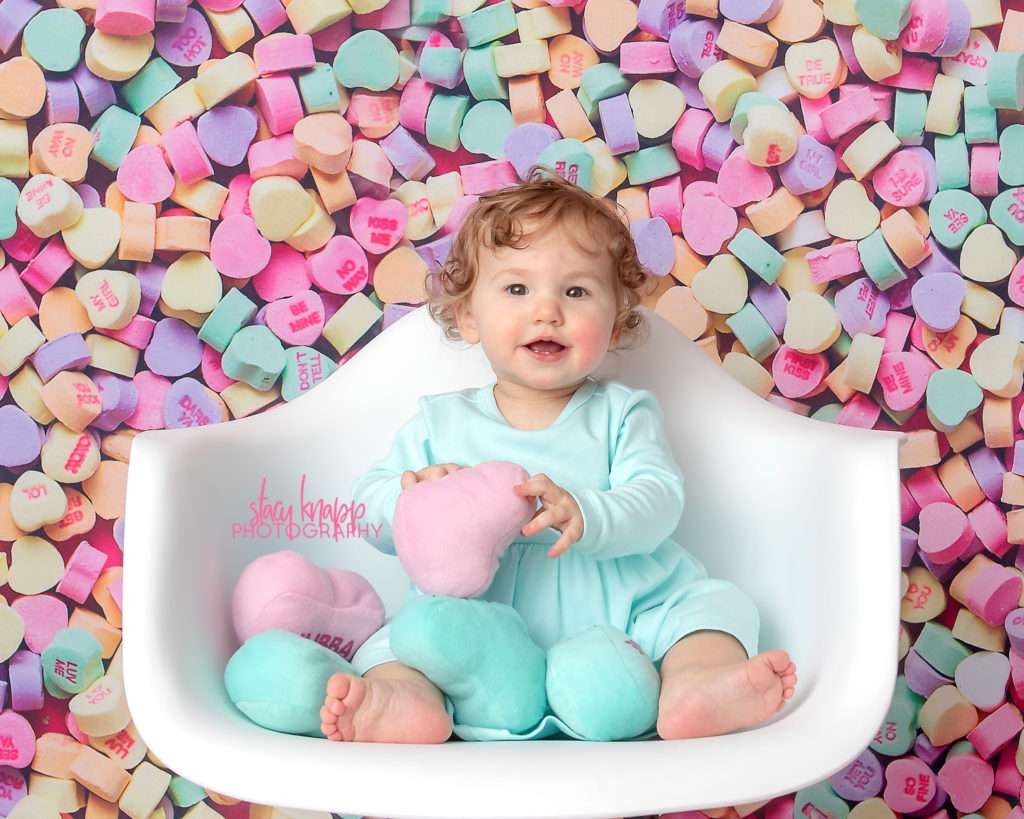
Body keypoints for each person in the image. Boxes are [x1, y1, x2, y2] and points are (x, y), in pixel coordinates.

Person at [321, 166, 797, 744]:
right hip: (480, 625)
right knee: (402, 641)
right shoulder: (438, 421)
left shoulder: (622, 412)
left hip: (623, 612)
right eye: (517, 289)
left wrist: (588, 513)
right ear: (469, 315)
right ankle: (403, 702)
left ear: (617, 321)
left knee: (714, 608)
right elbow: (367, 507)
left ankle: (694, 685)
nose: (548, 310)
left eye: (576, 291)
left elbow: (658, 499)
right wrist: (410, 495)